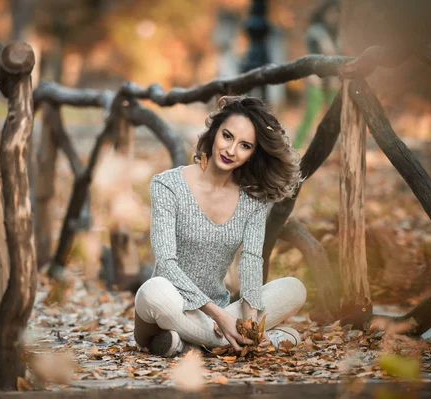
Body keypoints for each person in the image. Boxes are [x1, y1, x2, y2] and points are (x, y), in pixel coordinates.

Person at [134, 96, 307, 357]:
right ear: (214, 132)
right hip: (170, 307)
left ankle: (188, 343)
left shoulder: (253, 200)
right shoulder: (167, 185)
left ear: (252, 154)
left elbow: (250, 262)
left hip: (220, 313)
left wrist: (249, 322)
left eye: (245, 146)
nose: (231, 150)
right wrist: (221, 318)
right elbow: (167, 263)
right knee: (153, 292)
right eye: (227, 136)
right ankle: (249, 340)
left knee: (295, 288)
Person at [293, 0, 341, 149]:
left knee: (336, 117)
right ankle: (295, 147)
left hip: (332, 80)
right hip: (316, 80)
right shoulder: (316, 31)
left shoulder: (336, 32)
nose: (335, 16)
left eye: (337, 13)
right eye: (332, 12)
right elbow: (326, 53)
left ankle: (333, 150)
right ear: (324, 13)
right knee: (311, 115)